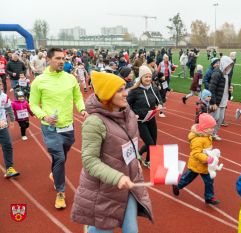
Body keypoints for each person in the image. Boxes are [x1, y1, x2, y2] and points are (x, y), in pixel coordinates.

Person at [70, 71, 154, 233]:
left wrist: (136, 158)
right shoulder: (94, 123)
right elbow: (89, 160)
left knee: (131, 230)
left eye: (125, 88)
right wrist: (118, 177)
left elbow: (131, 143)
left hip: (128, 185)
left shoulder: (128, 114)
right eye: (120, 90)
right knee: (103, 230)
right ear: (107, 95)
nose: (125, 93)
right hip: (104, 190)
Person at [29, 47, 88, 209]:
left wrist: (82, 109)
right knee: (60, 158)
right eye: (57, 58)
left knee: (61, 157)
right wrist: (43, 116)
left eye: (63, 58)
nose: (62, 61)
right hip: (51, 128)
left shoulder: (70, 78)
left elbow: (77, 96)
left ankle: (55, 174)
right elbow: (32, 104)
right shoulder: (38, 81)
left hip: (68, 127)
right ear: (48, 60)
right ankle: (60, 192)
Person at [172, 113, 220, 205]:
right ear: (204, 128)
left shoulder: (207, 135)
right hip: (196, 165)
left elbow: (207, 149)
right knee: (187, 179)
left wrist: (212, 155)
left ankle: (209, 198)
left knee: (209, 181)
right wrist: (207, 158)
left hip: (205, 165)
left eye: (214, 127)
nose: (213, 129)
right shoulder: (197, 140)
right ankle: (176, 185)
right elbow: (196, 153)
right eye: (211, 128)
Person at [127, 66, 163, 169]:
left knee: (154, 143)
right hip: (140, 121)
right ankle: (139, 152)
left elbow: (159, 99)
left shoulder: (154, 88)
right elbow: (126, 106)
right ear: (141, 77)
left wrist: (160, 104)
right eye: (145, 77)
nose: (148, 79)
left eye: (149, 77)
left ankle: (148, 160)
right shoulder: (134, 91)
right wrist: (132, 113)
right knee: (150, 143)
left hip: (151, 118)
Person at [209, 56, 234, 141]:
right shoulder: (217, 73)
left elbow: (226, 85)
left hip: (223, 101)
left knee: (220, 119)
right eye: (227, 64)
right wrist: (213, 102)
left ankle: (213, 134)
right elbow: (211, 88)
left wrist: (231, 88)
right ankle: (202, 133)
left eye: (230, 65)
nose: (228, 66)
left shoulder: (227, 73)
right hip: (217, 101)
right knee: (213, 118)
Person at [0, 81, 18, 178]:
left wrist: (12, 120)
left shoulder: (4, 96)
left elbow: (9, 108)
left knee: (7, 145)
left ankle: (9, 168)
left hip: (3, 126)